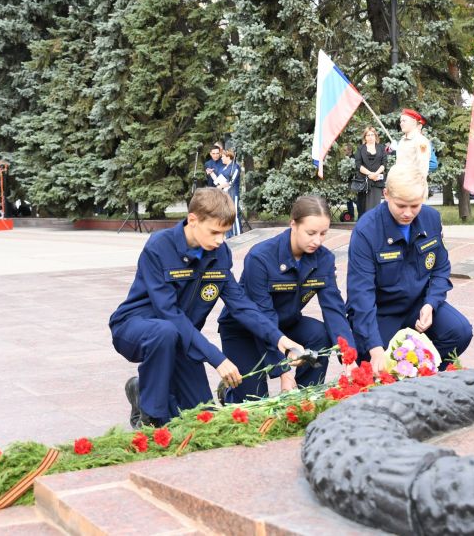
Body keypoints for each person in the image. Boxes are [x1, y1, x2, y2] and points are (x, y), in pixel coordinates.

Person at [109, 188, 305, 428]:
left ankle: (143, 389)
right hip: (134, 328)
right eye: (214, 232)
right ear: (193, 220)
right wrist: (217, 359)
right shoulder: (159, 247)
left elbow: (241, 305)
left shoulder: (219, 253)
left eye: (224, 233)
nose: (220, 240)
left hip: (183, 339)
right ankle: (149, 418)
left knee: (204, 418)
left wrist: (279, 339)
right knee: (165, 335)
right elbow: (169, 313)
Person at [218, 195, 356, 402]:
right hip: (244, 330)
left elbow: (333, 308)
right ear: (293, 224)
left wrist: (348, 357)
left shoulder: (324, 258)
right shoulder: (261, 257)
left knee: (320, 334)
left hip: (286, 323)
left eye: (323, 233)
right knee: (254, 402)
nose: (317, 241)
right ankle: (231, 393)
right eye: (311, 233)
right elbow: (262, 316)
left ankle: (303, 400)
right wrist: (283, 372)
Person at [346, 164, 472, 375]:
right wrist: (375, 347)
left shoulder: (431, 219)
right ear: (386, 195)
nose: (408, 213)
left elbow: (440, 269)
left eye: (415, 205)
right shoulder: (367, 230)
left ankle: (422, 374)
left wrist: (431, 304)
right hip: (381, 311)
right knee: (375, 364)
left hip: (418, 305)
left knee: (459, 331)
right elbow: (361, 294)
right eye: (401, 205)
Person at [356, 126, 386, 218]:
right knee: (364, 208)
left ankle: (374, 226)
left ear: (375, 136)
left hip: (377, 181)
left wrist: (375, 174)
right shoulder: (360, 148)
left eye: (372, 135)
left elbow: (384, 163)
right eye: (368, 135)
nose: (370, 137)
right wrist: (369, 174)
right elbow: (358, 164)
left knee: (375, 206)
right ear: (365, 137)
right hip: (364, 182)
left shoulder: (381, 148)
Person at [394, 108, 432, 176]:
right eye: (401, 121)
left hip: (413, 184)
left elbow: (422, 168)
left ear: (414, 122)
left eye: (404, 121)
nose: (401, 124)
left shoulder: (421, 141)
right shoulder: (402, 141)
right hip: (400, 183)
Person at [216, 149, 241, 238]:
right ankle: (229, 235)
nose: (221, 158)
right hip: (224, 194)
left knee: (234, 213)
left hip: (233, 193)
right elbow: (217, 180)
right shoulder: (223, 168)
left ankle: (238, 234)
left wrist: (220, 186)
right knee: (226, 214)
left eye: (223, 157)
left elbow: (231, 181)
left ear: (228, 157)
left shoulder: (235, 167)